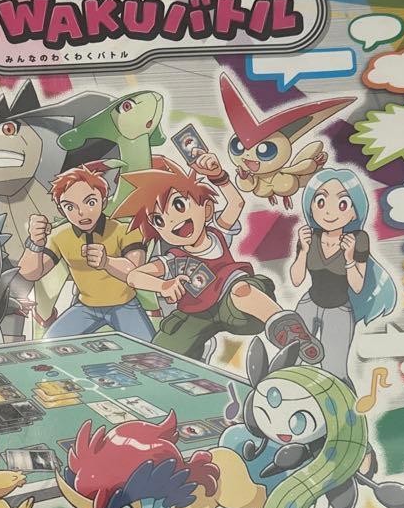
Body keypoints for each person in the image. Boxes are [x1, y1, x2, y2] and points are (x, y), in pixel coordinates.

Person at [115, 155, 320, 363]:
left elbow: (236, 203)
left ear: (206, 209)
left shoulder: (218, 233)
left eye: (179, 205)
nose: (172, 221)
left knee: (241, 289)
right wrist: (163, 285)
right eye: (159, 220)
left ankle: (287, 329)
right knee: (161, 355)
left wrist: (218, 176)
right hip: (195, 313)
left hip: (231, 305)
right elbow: (134, 276)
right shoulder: (173, 260)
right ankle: (197, 352)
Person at [17, 163, 154, 341]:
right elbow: (30, 273)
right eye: (70, 207)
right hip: (86, 308)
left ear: (103, 201)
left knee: (150, 350)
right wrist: (35, 243)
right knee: (51, 343)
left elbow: (136, 272)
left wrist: (107, 262)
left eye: (90, 202)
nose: (81, 213)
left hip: (125, 305)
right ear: (61, 210)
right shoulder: (59, 235)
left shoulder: (125, 230)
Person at [290, 168, 396, 384]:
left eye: (342, 204)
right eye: (320, 202)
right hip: (309, 303)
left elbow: (357, 286)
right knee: (291, 360)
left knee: (334, 370)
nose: (329, 212)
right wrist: (303, 250)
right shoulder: (310, 236)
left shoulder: (358, 239)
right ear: (311, 206)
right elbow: (296, 279)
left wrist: (349, 258)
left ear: (355, 211)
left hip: (338, 310)